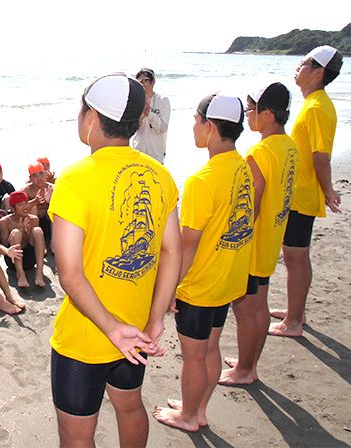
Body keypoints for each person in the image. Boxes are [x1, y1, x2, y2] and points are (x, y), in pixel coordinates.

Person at [49, 73, 181, 447]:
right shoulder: (160, 175)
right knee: (129, 406)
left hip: (87, 335)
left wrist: (110, 327)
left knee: (76, 438)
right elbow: (173, 251)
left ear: (91, 118)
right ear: (137, 120)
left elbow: (70, 274)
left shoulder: (75, 179)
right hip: (135, 327)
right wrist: (154, 319)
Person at [153, 93, 253, 432]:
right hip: (227, 279)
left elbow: (187, 246)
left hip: (200, 285)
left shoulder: (202, 179)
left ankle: (189, 416)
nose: (194, 127)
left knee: (195, 356)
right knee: (210, 348)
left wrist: (170, 290)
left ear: (209, 127)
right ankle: (198, 408)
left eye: (196, 121)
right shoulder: (242, 165)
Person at [219, 83, 297, 386]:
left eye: (251, 110)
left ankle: (246, 369)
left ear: (266, 113)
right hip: (272, 238)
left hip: (253, 244)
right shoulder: (288, 146)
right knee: (259, 302)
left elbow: (251, 205)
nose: (248, 116)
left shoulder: (260, 152)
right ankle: (248, 360)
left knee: (247, 307)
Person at [270, 45, 344, 337]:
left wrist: (328, 190)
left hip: (301, 194)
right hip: (299, 192)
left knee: (295, 257)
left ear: (319, 72)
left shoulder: (316, 107)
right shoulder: (316, 102)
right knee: (298, 256)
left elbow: (320, 155)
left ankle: (294, 322)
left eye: (304, 63)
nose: (298, 67)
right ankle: (295, 311)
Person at [0, 191, 46, 288]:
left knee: (37, 230)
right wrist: (20, 230)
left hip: (30, 259)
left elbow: (36, 242)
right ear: (13, 208)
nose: (25, 207)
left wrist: (27, 232)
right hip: (13, 260)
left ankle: (39, 274)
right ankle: (20, 275)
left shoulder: (34, 219)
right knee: (16, 233)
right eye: (20, 205)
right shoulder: (4, 221)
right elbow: (4, 244)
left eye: (26, 203)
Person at [131, 68, 170, 163]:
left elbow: (162, 128)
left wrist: (149, 113)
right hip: (138, 152)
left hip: (156, 154)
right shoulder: (135, 102)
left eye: (145, 81)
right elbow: (132, 128)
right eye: (139, 82)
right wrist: (142, 115)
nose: (142, 84)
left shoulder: (163, 100)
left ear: (152, 82)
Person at [21, 162, 54, 248]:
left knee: (55, 209)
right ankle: (38, 242)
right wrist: (34, 202)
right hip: (33, 224)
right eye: (35, 175)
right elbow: (17, 209)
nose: (39, 178)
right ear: (30, 178)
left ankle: (54, 243)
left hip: (49, 222)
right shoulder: (25, 190)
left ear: (45, 174)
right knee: (33, 207)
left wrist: (51, 201)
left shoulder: (53, 188)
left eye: (41, 174)